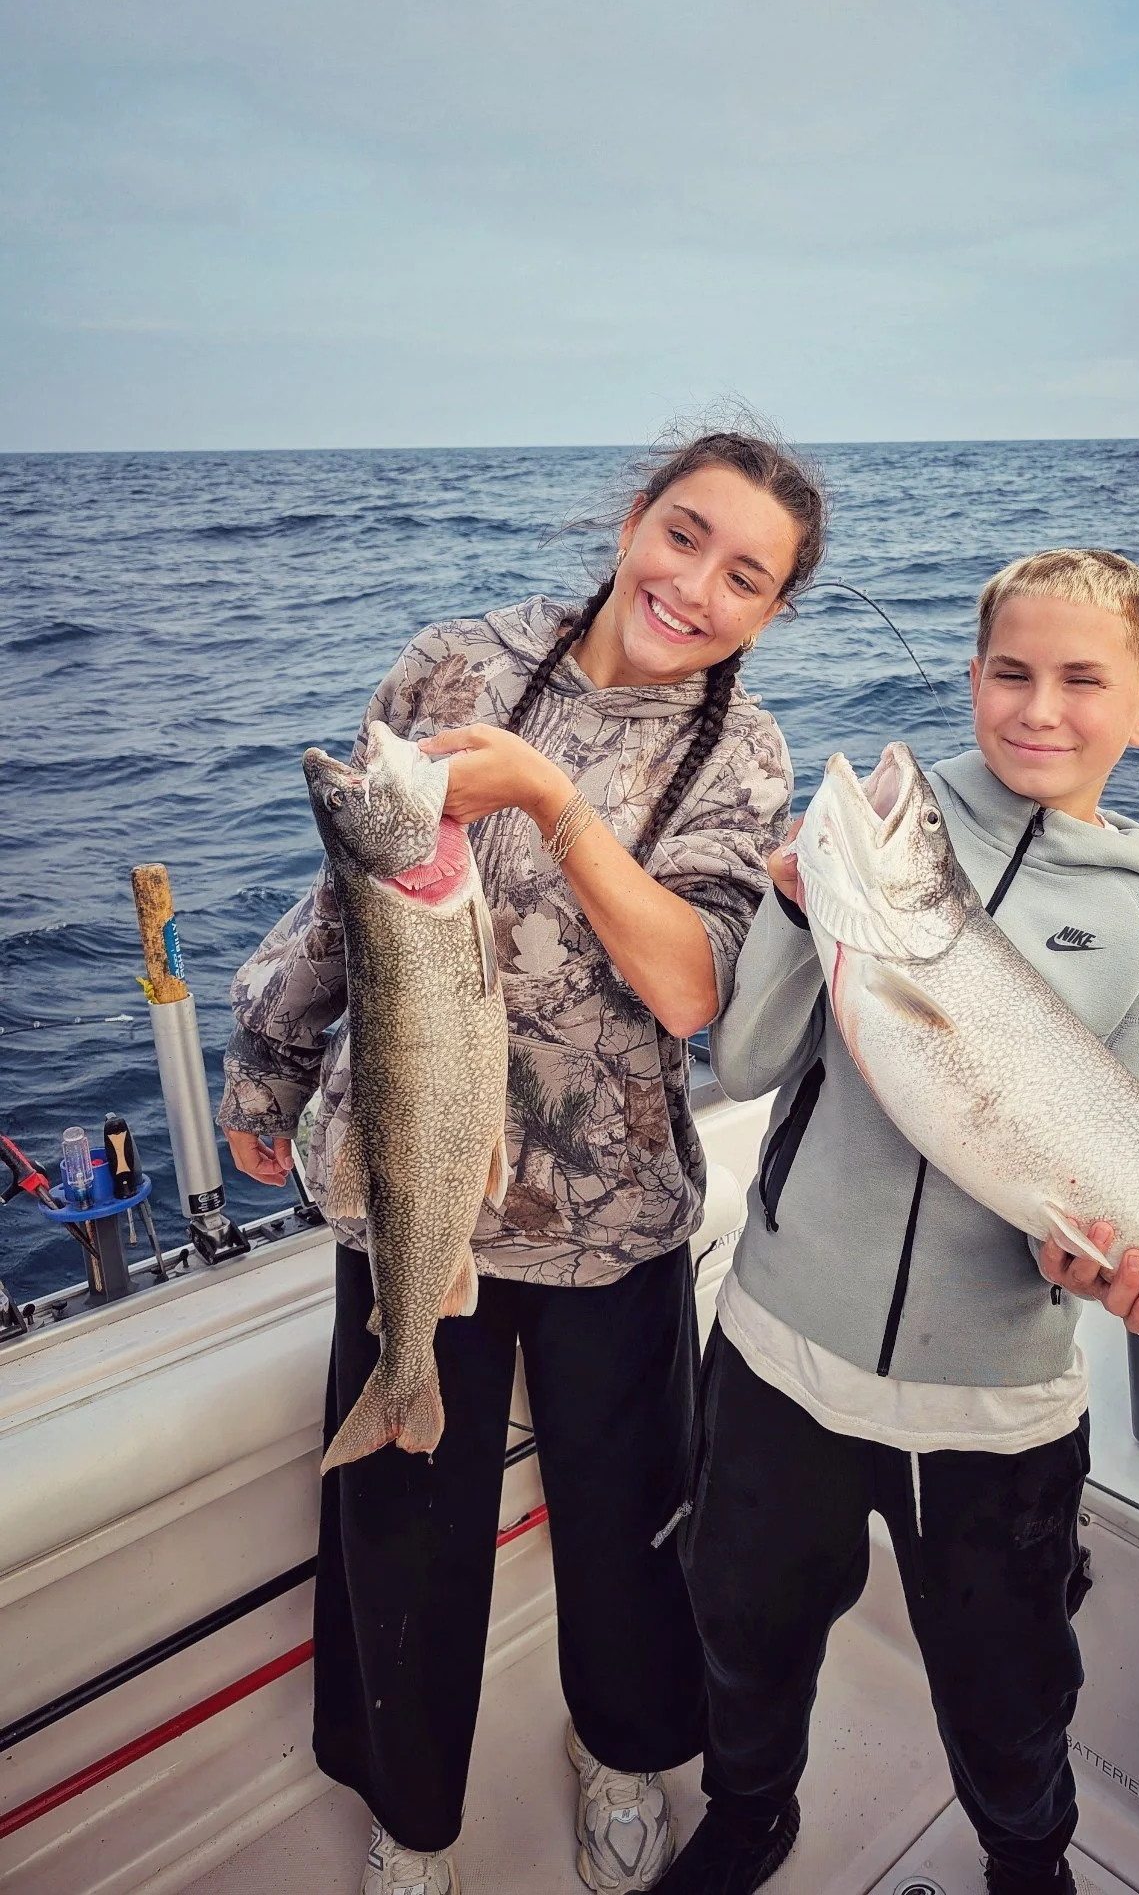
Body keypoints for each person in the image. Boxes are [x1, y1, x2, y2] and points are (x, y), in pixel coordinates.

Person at [217, 428, 826, 1895]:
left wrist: (556, 804)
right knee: (402, 1542)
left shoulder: (741, 752)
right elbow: (348, 891)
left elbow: (695, 990)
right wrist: (269, 1059)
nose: (696, 584)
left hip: (609, 1215)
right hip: (408, 1182)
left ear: (773, 609)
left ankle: (623, 1757)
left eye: (746, 575)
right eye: (683, 535)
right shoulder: (452, 665)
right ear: (633, 518)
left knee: (628, 1531)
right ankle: (414, 1823)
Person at [658, 548, 1139, 1895]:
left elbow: (1119, 1176)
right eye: (1011, 674)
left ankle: (1028, 1864)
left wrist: (1099, 1265)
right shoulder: (880, 826)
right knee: (743, 1628)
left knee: (1010, 1690)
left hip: (993, 1410)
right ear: (971, 679)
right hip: (783, 1346)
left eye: (1084, 681)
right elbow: (745, 1065)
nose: (1039, 708)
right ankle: (751, 1817)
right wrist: (797, 908)